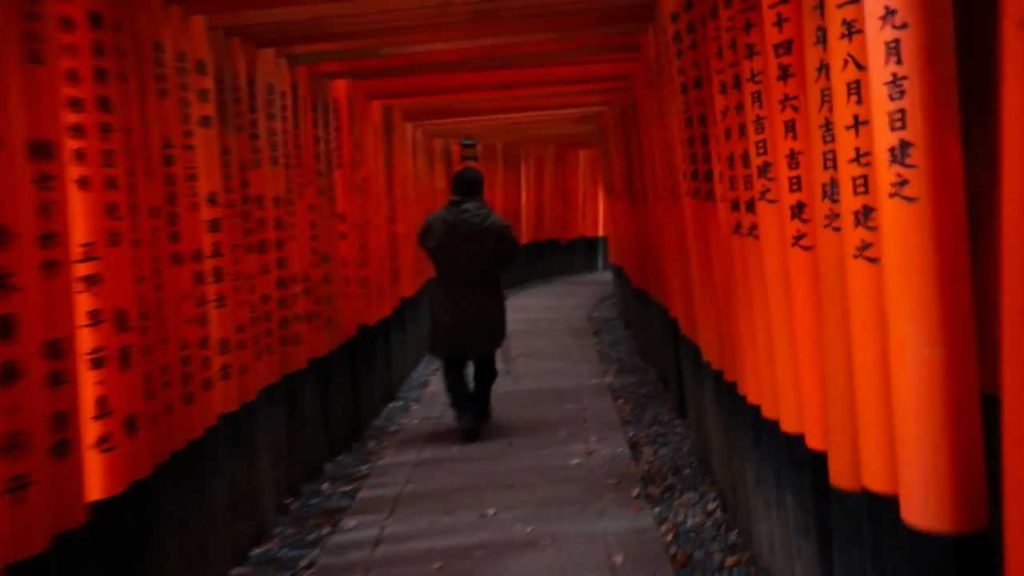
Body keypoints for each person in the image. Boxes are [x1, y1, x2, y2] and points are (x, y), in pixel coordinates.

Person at [418, 166, 519, 443]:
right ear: (480, 190)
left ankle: (465, 411)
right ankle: (480, 404)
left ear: (453, 189)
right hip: (485, 296)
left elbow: (427, 246)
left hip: (449, 298)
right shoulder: (495, 225)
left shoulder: (435, 223)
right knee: (485, 357)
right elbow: (510, 257)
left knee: (453, 362)